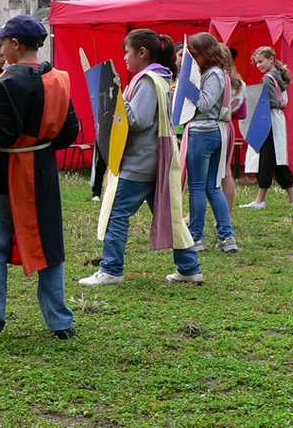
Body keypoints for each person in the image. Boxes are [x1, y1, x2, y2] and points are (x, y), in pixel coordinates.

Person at [0, 15, 78, 341]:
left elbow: (0, 137)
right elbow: (69, 133)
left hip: (7, 177)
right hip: (44, 174)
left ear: (15, 45)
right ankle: (61, 323)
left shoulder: (0, 84)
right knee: (51, 247)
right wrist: (39, 145)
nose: (1, 47)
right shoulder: (61, 79)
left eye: (4, 42)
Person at [78, 29, 202, 286]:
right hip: (153, 161)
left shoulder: (147, 80)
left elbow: (137, 120)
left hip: (139, 163)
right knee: (171, 216)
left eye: (127, 51)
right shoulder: (159, 78)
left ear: (142, 53)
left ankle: (111, 269)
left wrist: (111, 105)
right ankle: (190, 268)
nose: (124, 57)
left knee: (116, 214)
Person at [180, 33, 237, 254]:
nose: (193, 60)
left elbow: (203, 104)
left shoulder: (214, 73)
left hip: (204, 132)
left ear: (207, 53)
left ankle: (197, 237)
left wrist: (187, 85)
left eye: (195, 55)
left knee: (199, 188)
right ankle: (226, 236)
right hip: (212, 132)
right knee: (212, 187)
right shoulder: (217, 72)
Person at [240, 46, 293, 209]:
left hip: (268, 120)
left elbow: (271, 102)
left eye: (261, 61)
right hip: (277, 119)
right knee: (279, 158)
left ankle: (260, 200)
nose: (258, 65)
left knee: (266, 159)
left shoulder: (268, 78)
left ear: (271, 59)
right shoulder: (279, 75)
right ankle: (292, 199)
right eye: (256, 62)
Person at [220, 44, 247, 212]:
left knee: (202, 176)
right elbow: (242, 113)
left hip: (212, 126)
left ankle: (193, 215)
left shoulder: (214, 80)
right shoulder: (240, 83)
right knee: (226, 173)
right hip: (228, 127)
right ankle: (227, 213)